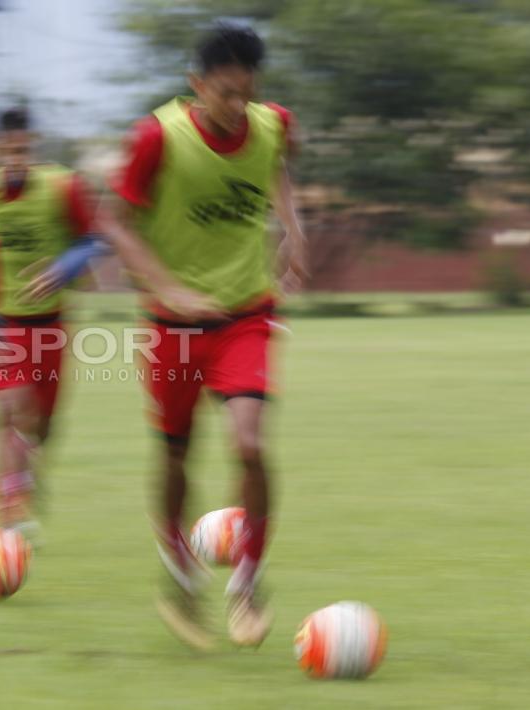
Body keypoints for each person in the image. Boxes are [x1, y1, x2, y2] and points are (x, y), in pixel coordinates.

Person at [97, 24, 309, 648]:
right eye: (223, 94)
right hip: (174, 327)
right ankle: (179, 574)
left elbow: (278, 169)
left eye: (246, 93)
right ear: (196, 86)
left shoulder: (275, 124)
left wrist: (294, 229)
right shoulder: (156, 137)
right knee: (174, 454)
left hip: (246, 312)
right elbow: (116, 224)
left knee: (248, 443)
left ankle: (247, 582)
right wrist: (169, 287)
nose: (236, 106)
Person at [0, 106, 102, 539]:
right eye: (6, 150)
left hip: (51, 323)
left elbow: (92, 239)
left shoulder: (62, 185)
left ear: (33, 146)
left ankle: (25, 476)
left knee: (41, 426)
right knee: (8, 410)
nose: (15, 158)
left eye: (23, 149)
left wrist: (63, 267)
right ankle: (9, 516)